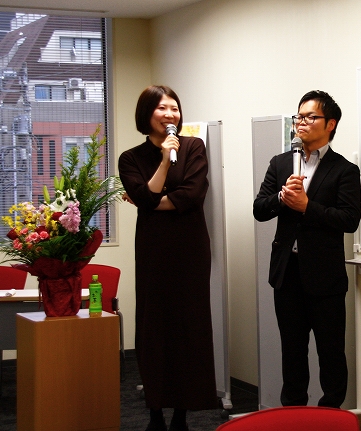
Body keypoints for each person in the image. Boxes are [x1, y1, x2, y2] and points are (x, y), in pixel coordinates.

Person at [253, 90, 360, 408]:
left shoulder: (344, 170)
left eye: (310, 117)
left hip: (325, 278)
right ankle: (294, 414)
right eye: (298, 116)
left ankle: (330, 415)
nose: (301, 122)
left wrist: (306, 206)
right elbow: (260, 209)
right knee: (292, 352)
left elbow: (349, 220)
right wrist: (281, 198)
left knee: (331, 353)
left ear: (330, 124)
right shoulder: (280, 163)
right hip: (287, 275)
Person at [118, 85, 216, 431]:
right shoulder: (130, 158)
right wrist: (163, 161)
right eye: (162, 108)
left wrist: (151, 200)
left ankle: (182, 415)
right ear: (147, 114)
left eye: (174, 108)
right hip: (153, 252)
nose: (170, 114)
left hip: (190, 250)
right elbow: (145, 196)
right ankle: (155, 412)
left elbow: (192, 194)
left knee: (189, 328)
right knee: (153, 328)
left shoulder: (194, 146)